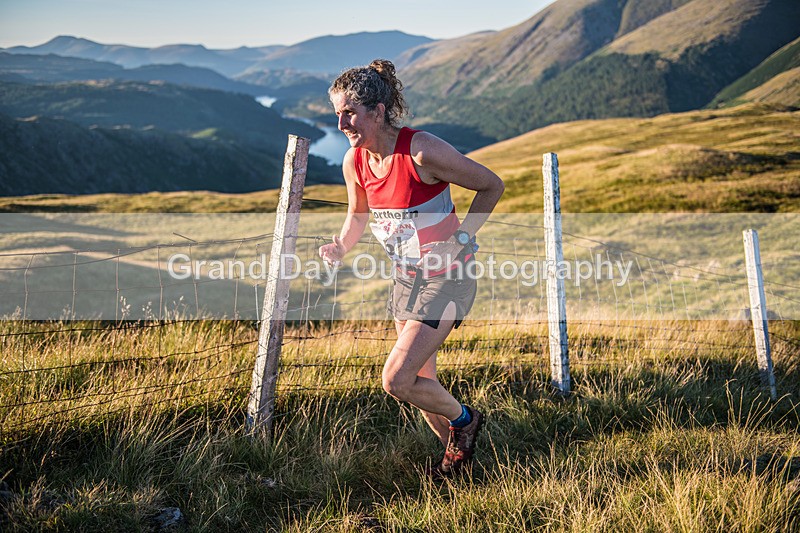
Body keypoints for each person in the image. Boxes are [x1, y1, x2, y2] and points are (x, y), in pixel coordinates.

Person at [319, 59, 504, 478]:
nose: (342, 122)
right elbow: (358, 215)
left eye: (350, 112)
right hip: (406, 278)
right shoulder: (356, 161)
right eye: (337, 114)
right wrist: (340, 246)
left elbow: (492, 185)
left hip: (449, 278)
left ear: (378, 111)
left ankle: (465, 421)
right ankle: (458, 462)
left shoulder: (421, 151)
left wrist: (459, 240)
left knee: (397, 380)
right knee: (422, 381)